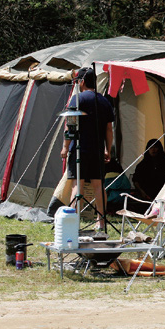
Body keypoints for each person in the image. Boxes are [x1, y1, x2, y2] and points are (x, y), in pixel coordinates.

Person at [60, 67, 115, 232]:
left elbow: (70, 125)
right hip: (97, 150)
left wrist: (65, 147)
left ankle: (73, 222)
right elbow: (109, 129)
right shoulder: (105, 101)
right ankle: (101, 222)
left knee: (78, 187)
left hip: (79, 149)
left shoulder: (77, 99)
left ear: (82, 82)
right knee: (99, 186)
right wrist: (107, 149)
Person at [131, 139, 165, 204]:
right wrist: (143, 193)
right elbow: (136, 181)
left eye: (155, 147)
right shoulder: (142, 165)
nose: (153, 150)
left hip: (163, 197)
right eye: (151, 148)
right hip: (146, 198)